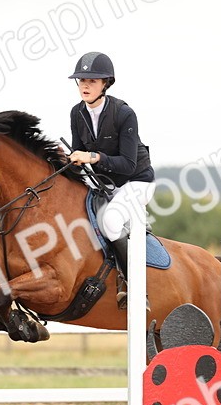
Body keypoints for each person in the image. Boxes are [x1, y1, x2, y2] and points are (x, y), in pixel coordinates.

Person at [66, 51, 155, 309]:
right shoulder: (77, 113)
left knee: (112, 219)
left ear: (106, 83)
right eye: (81, 80)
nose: (85, 85)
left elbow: (127, 165)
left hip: (136, 182)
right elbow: (77, 154)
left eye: (92, 80)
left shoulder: (124, 113)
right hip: (104, 184)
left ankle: (136, 288)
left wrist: (92, 157)